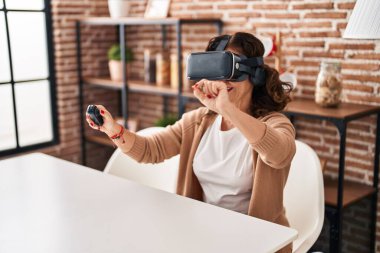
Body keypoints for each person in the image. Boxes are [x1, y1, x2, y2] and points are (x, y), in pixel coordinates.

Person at [86, 32, 295, 253]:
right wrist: (113, 130)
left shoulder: (275, 123)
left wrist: (229, 111)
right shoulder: (199, 121)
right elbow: (150, 150)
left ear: (254, 75)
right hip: (203, 234)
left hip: (256, 242)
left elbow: (280, 154)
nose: (222, 80)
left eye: (229, 69)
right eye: (215, 69)